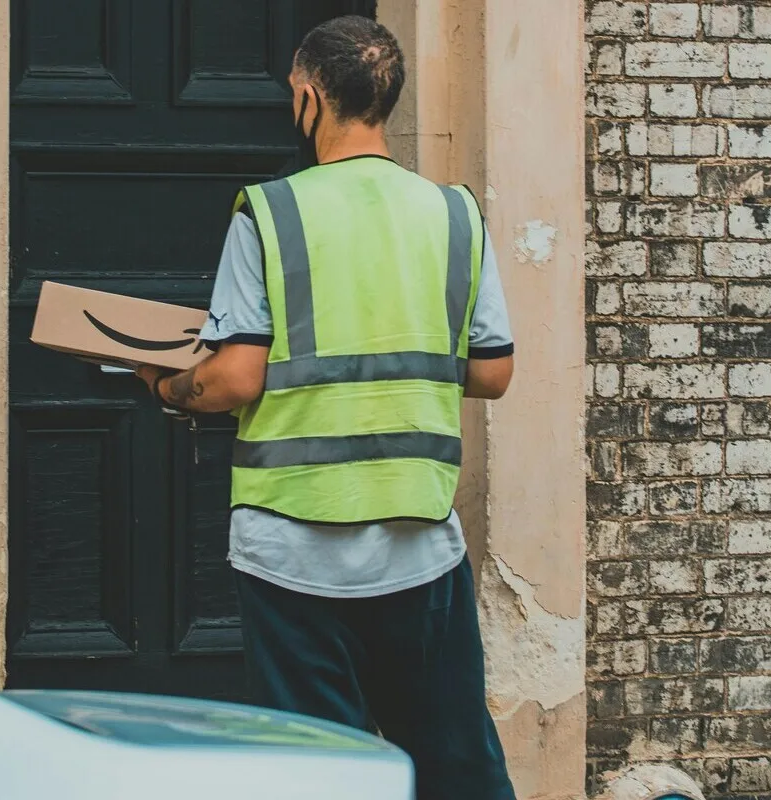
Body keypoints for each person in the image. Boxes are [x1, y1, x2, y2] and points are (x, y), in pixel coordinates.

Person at [137, 15, 516, 800]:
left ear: (309, 98)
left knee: (317, 771)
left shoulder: (270, 213)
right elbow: (492, 371)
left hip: (293, 552)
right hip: (420, 546)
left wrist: (169, 387)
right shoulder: (454, 214)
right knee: (455, 765)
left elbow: (234, 379)